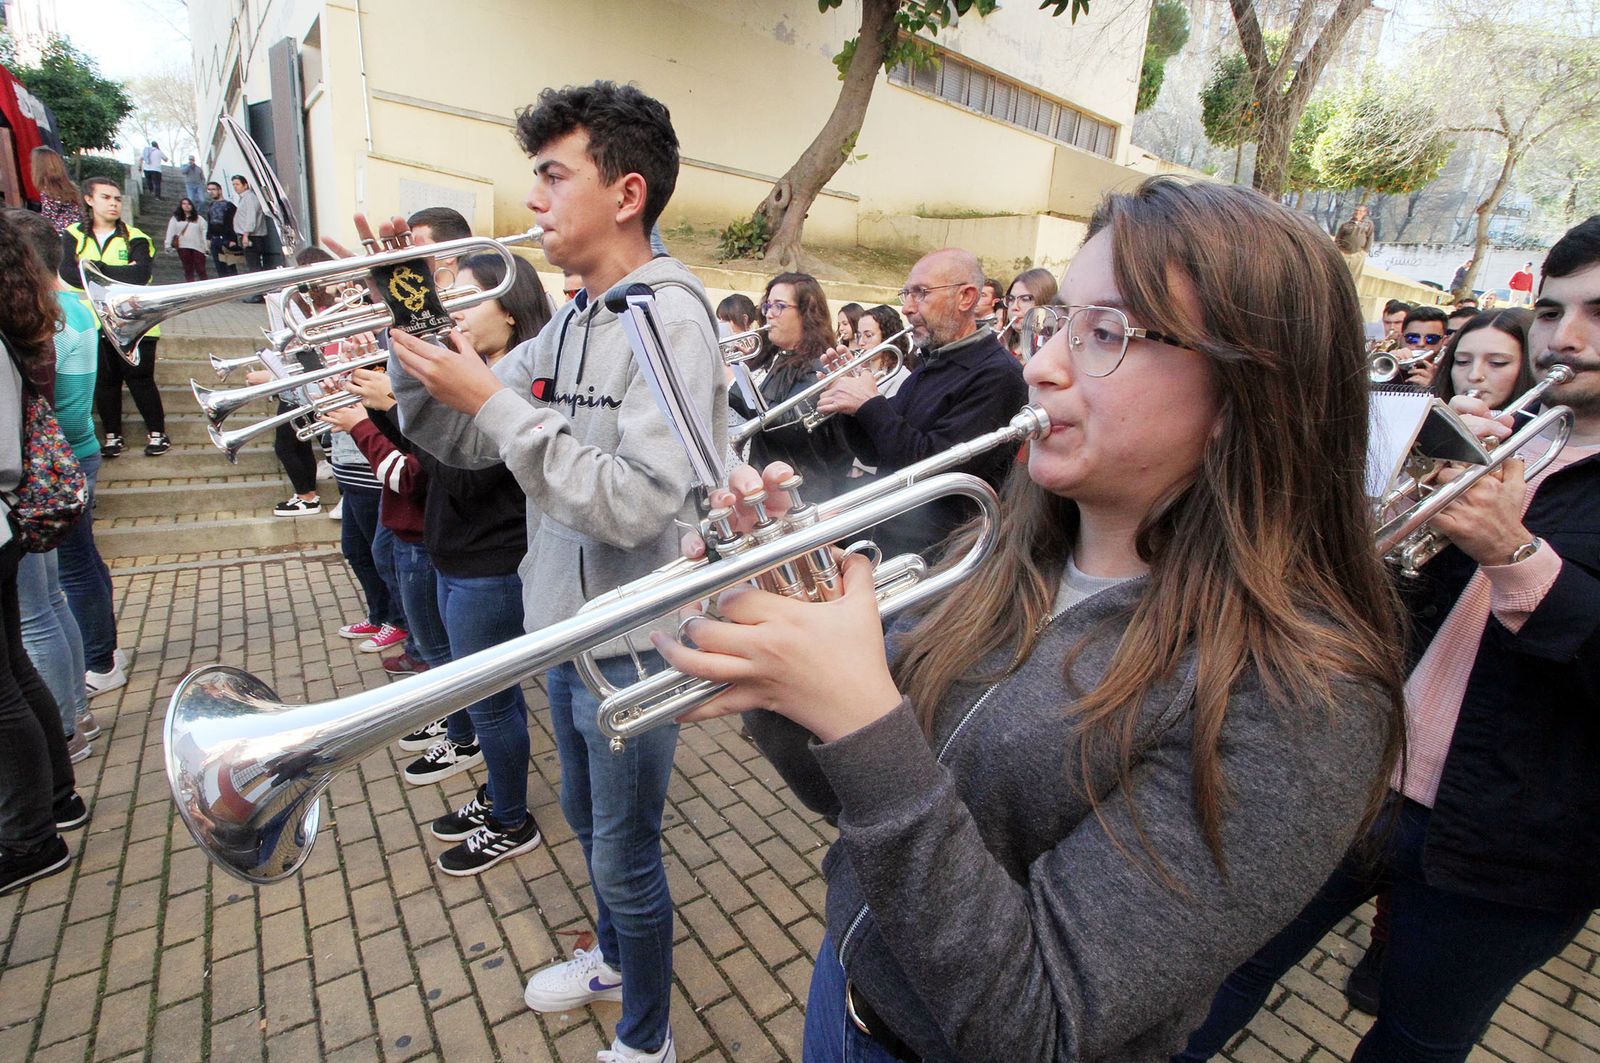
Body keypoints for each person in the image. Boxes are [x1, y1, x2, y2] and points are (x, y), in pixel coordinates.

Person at [655, 176, 1406, 1061]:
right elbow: (849, 792)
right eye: (1057, 325)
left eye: (1106, 333)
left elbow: (1040, 1025)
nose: (1042, 364)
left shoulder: (1302, 702)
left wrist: (860, 714)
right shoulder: (1003, 549)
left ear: (1250, 391)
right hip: (846, 1001)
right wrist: (787, 663)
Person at [1179, 213, 1600, 1063]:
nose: (1568, 337)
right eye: (1552, 313)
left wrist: (1513, 552)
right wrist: (1410, 486)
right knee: (1225, 963)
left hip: (1515, 842)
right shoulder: (1531, 435)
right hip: (1365, 771)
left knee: (1417, 1038)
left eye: (1597, 314)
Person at [387, 80, 725, 1063]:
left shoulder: (667, 319)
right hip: (566, 630)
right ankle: (617, 963)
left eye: (551, 174)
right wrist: (407, 294)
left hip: (634, 645)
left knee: (625, 852)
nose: (531, 200)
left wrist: (498, 403)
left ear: (624, 193)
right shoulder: (576, 320)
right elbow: (463, 433)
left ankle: (646, 1037)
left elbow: (638, 499)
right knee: (584, 819)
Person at [364, 255, 548, 880]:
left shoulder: (518, 387)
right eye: (452, 298)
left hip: (491, 567)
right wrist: (406, 312)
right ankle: (499, 794)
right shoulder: (483, 376)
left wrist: (393, 410)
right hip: (457, 557)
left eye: (472, 299)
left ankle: (511, 818)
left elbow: (461, 477)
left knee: (492, 704)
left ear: (512, 312)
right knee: (478, 696)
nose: (457, 313)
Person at [816, 248, 1028, 558]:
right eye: (906, 294)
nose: (907, 309)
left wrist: (870, 404)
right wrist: (847, 402)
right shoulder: (932, 362)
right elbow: (875, 451)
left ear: (966, 298)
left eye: (921, 294)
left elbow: (934, 468)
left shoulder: (999, 375)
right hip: (885, 536)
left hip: (932, 554)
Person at [0, 209, 91, 896]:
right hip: (28, 497)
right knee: (27, 638)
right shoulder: (38, 320)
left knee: (26, 639)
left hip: (14, 498)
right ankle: (56, 786)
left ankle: (32, 829)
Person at [59, 177, 169, 458]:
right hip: (93, 323)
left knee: (140, 378)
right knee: (105, 382)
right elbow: (69, 275)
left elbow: (140, 275)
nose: (113, 203)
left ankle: (157, 433)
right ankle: (112, 436)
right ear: (89, 200)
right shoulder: (72, 235)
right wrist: (117, 271)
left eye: (117, 198)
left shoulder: (136, 237)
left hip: (135, 322)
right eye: (106, 197)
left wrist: (94, 269)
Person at [729, 274, 854, 502]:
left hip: (803, 490)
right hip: (770, 480)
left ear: (806, 315)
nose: (768, 313)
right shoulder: (776, 355)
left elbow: (787, 423)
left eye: (779, 306)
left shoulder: (821, 362)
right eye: (768, 305)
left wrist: (736, 383)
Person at [999, 266, 1060, 358]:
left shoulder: (1053, 353)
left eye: (1025, 299)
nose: (1014, 307)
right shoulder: (1002, 345)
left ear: (1046, 302)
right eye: (1011, 299)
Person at [1396, 303, 1451, 387]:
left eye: (1431, 338)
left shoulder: (1450, 373)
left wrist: (1434, 387)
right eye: (1412, 338)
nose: (1421, 343)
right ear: (1400, 339)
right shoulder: (1388, 361)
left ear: (1443, 341)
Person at [29, 147, 79, 233]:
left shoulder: (48, 190)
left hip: (60, 234)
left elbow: (48, 219)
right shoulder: (68, 186)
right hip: (75, 229)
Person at [231, 174, 269, 277]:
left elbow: (250, 217)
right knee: (252, 264)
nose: (235, 187)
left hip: (252, 236)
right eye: (233, 184)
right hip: (249, 235)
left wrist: (246, 234)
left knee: (254, 265)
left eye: (237, 184)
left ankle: (260, 289)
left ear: (245, 185)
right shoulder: (244, 198)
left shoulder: (250, 198)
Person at [165, 198, 209, 283]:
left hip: (198, 246)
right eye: (184, 203)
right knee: (188, 268)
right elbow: (170, 231)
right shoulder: (176, 218)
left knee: (201, 269)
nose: (186, 206)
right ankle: (190, 286)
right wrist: (168, 244)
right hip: (183, 246)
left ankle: (205, 285)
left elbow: (204, 232)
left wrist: (206, 246)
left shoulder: (199, 218)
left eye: (189, 204)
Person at [203, 181, 239, 278]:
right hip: (215, 239)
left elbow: (233, 224)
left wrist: (232, 239)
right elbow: (210, 223)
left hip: (227, 239)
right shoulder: (211, 206)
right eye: (209, 190)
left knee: (230, 267)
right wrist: (208, 237)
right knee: (220, 268)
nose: (211, 192)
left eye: (213, 189)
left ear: (220, 190)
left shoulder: (229, 206)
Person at [1335, 203, 1375, 282]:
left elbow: (1370, 237)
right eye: (1356, 210)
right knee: (1340, 274)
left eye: (1360, 211)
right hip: (1344, 253)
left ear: (1364, 213)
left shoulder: (1368, 224)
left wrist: (1364, 252)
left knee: (1354, 277)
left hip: (1358, 254)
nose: (1357, 213)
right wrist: (1339, 250)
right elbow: (1338, 238)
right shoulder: (1345, 225)